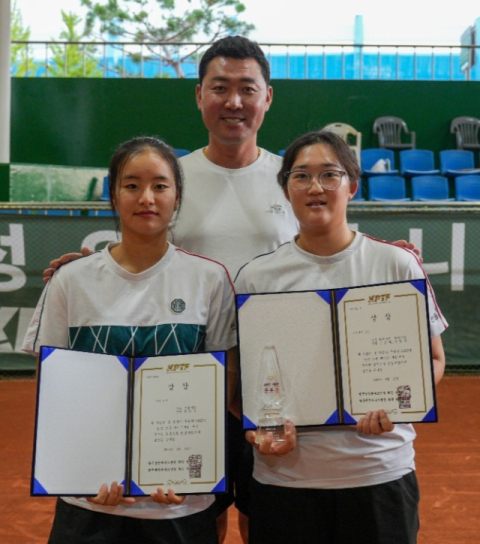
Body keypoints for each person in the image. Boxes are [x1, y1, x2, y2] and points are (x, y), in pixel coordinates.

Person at [42, 36, 421, 544]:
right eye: (220, 88)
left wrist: (394, 273)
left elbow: (333, 251)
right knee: (202, 514)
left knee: (262, 511)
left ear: (268, 97)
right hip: (199, 382)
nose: (234, 102)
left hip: (289, 384)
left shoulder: (292, 177)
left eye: (248, 88)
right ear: (200, 95)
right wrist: (86, 266)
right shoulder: (174, 177)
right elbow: (140, 250)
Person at [234, 129, 447, 544]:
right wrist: (259, 428)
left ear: (352, 185)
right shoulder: (255, 278)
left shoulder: (397, 265)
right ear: (286, 189)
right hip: (285, 483)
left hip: (379, 475)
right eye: (301, 176)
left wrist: (400, 404)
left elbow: (435, 360)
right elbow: (236, 381)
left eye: (329, 175)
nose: (315, 187)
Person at [23, 137, 237, 544]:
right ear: (114, 194)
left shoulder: (209, 279)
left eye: (160, 185)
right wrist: (77, 471)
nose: (147, 198)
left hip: (177, 501)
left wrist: (190, 473)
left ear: (177, 197)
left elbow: (222, 383)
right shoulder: (71, 280)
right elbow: (52, 388)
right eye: (132, 184)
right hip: (89, 497)